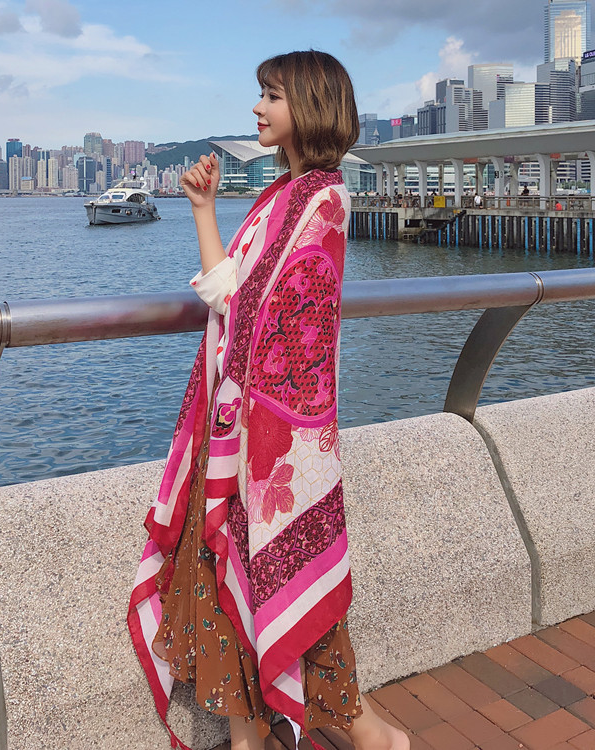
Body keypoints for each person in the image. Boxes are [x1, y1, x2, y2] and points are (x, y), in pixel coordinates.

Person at [128, 50, 410, 750]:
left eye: (272, 95)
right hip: (236, 430)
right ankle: (252, 739)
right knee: (227, 594)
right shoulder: (277, 197)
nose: (258, 107)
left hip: (274, 446)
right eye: (261, 93)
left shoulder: (323, 200)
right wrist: (203, 209)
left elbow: (287, 323)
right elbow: (233, 295)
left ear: (309, 105)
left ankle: (374, 737)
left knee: (289, 601)